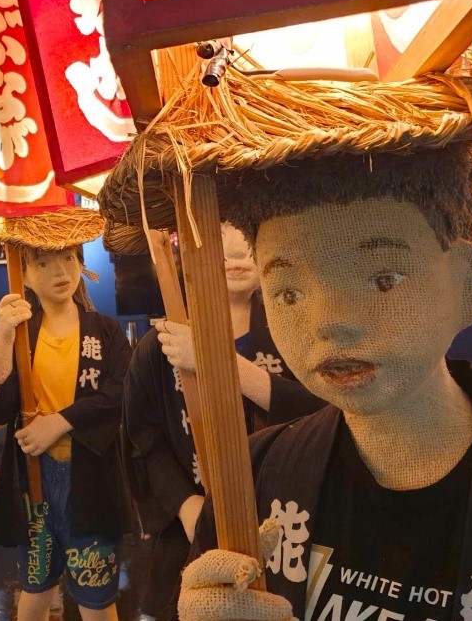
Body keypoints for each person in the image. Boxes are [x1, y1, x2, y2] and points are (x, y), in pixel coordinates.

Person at [97, 73, 472, 619]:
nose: (329, 323)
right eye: (288, 291)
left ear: (466, 284)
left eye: (383, 278)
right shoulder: (256, 480)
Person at [122, 223, 323, 621]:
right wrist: (186, 505)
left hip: (288, 526)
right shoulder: (160, 345)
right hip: (194, 533)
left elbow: (329, 414)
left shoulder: (304, 331)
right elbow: (143, 441)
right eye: (216, 233)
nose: (235, 251)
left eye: (248, 232)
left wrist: (222, 364)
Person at [0, 210, 131, 621]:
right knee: (36, 589)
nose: (59, 270)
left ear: (81, 263)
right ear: (23, 275)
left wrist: (58, 422)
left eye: (68, 258)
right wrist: (5, 335)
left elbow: (120, 393)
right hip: (34, 480)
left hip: (90, 479)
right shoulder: (18, 331)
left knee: (97, 600)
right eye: (42, 262)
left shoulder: (105, 331)